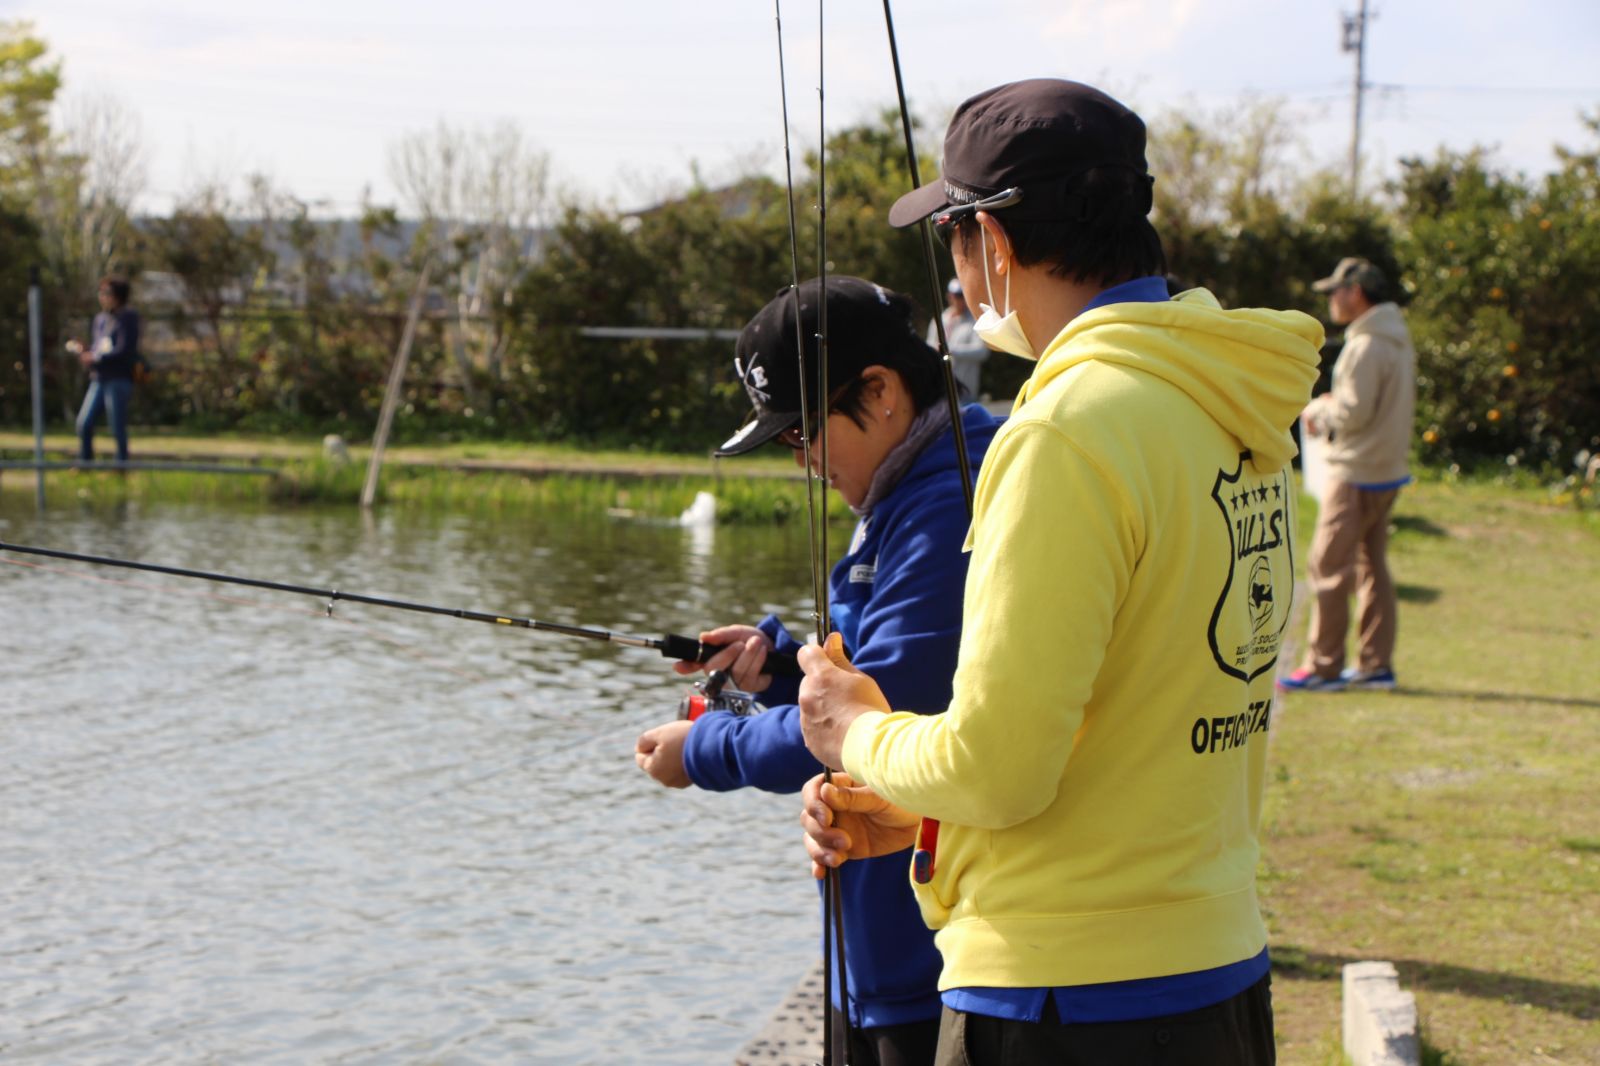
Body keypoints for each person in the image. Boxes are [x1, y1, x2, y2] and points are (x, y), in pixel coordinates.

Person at [793, 79, 1323, 1065]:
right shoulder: (1229, 399)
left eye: (949, 236)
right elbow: (1135, 723)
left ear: (991, 241)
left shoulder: (1065, 431)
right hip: (1216, 973)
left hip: (1061, 1002)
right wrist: (923, 810)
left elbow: (994, 766)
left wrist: (854, 730)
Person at [634, 275, 999, 1066]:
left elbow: (875, 716)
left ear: (881, 391)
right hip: (876, 956)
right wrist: (775, 665)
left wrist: (703, 751)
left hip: (929, 964)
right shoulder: (905, 488)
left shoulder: (947, 507)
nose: (803, 462)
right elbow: (871, 669)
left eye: (804, 431)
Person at [1277, 257, 1417, 694]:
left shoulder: (1365, 343)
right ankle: (1375, 664)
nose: (1330, 301)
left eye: (1333, 292)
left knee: (1328, 566)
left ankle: (1323, 667)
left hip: (1355, 470)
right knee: (1372, 565)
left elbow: (1353, 413)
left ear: (1355, 292)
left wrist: (1319, 409)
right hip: (1386, 469)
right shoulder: (1395, 337)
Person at [69, 276, 141, 463]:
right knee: (84, 423)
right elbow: (98, 347)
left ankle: (121, 465)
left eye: (106, 293)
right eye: (100, 292)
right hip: (99, 378)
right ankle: (85, 463)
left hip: (118, 378)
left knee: (116, 426)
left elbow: (124, 349)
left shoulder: (128, 317)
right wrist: (86, 352)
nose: (102, 296)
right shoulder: (100, 319)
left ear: (118, 296)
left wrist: (97, 357)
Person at [925, 278, 989, 401]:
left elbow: (982, 352)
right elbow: (929, 347)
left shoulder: (975, 321)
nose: (960, 300)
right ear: (949, 296)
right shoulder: (939, 320)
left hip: (965, 391)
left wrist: (950, 349)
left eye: (963, 295)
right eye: (957, 295)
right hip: (940, 390)